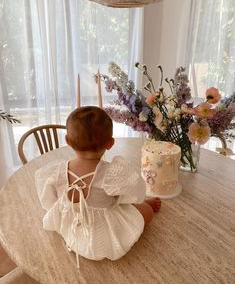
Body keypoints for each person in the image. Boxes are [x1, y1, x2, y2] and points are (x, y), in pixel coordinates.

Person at [35, 106, 161, 268]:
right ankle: (145, 206)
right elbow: (134, 193)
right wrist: (135, 202)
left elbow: (49, 201)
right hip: (102, 233)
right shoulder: (111, 173)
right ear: (110, 143)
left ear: (67, 141)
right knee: (144, 211)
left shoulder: (57, 172)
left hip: (72, 227)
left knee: (120, 200)